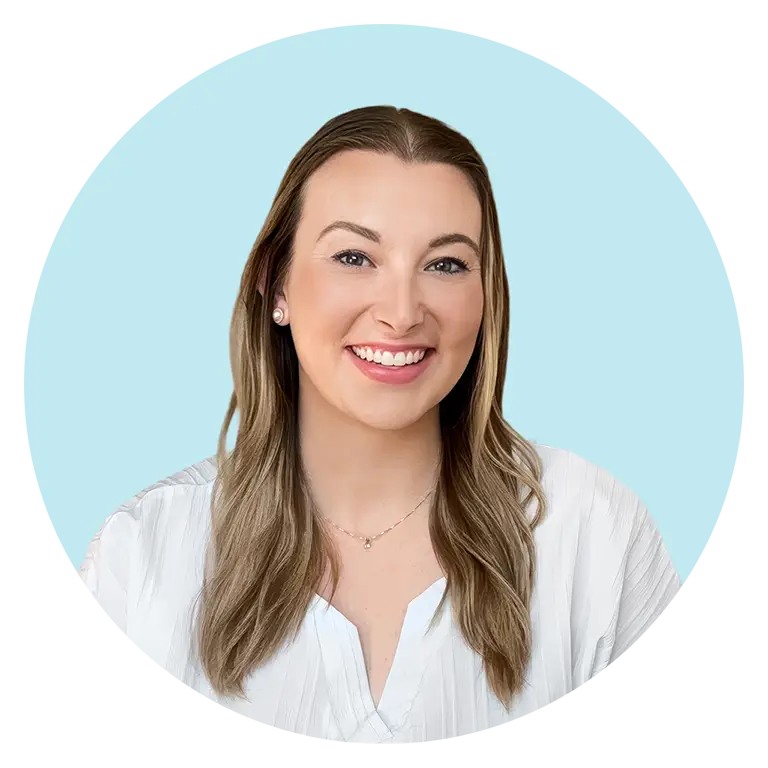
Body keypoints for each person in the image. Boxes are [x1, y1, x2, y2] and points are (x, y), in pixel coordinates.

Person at [75, 105, 681, 744]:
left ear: (486, 296)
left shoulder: (595, 534)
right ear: (274, 283)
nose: (400, 312)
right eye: (355, 257)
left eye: (445, 264)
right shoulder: (143, 555)